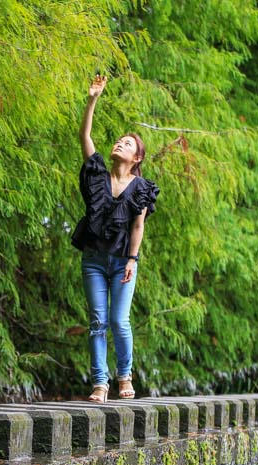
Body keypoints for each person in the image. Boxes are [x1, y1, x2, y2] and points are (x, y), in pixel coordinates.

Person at [71, 73, 160, 403]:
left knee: (119, 321)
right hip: (93, 259)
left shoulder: (141, 188)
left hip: (123, 261)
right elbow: (85, 134)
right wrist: (93, 98)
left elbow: (138, 227)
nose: (119, 144)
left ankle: (124, 375)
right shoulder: (97, 175)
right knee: (97, 321)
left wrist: (133, 261)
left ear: (136, 157)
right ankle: (99, 384)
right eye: (118, 141)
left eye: (127, 143)